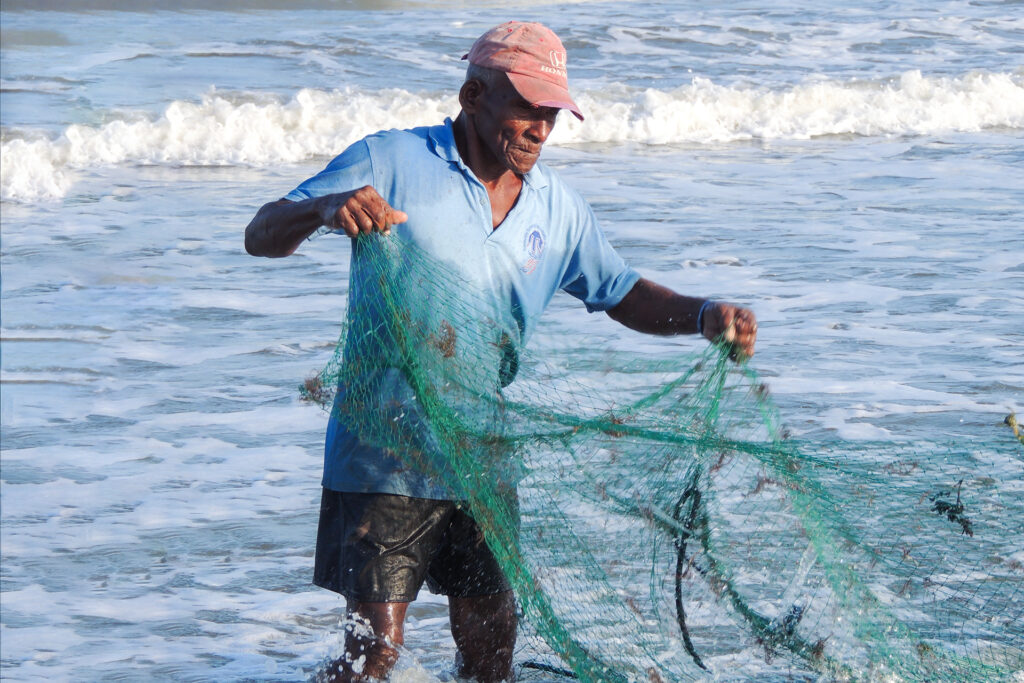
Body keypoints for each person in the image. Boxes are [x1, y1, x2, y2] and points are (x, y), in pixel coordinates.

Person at [245, 21, 757, 683]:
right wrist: (324, 209)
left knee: (491, 664)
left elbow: (621, 291)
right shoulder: (390, 160)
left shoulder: (558, 209)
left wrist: (703, 314)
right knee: (372, 658)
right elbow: (260, 231)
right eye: (527, 107)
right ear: (473, 95)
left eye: (552, 113)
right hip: (382, 452)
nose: (541, 127)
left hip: (483, 456)